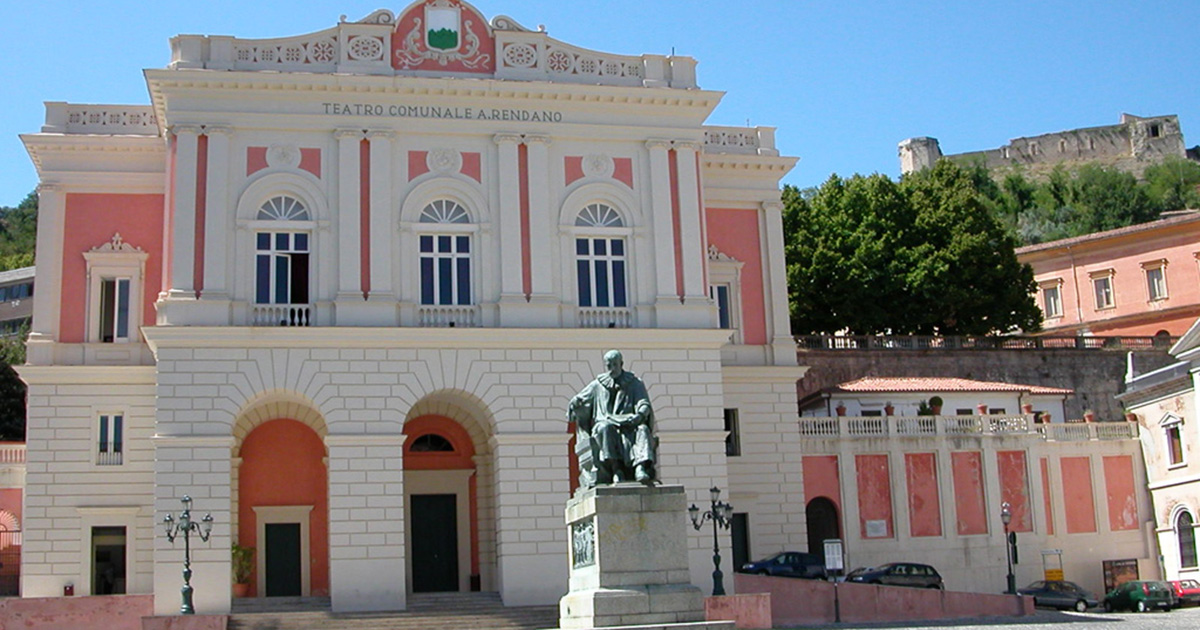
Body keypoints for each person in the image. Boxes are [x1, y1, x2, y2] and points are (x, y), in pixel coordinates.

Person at [568, 349, 657, 486]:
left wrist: (640, 415)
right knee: (605, 428)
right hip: (605, 422)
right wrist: (576, 403)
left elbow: (643, 403)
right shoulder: (597, 385)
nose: (612, 369)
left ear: (621, 364)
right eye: (609, 365)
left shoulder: (635, 383)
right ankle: (616, 469)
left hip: (629, 423)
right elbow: (579, 400)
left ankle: (640, 467)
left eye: (615, 364)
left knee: (642, 429)